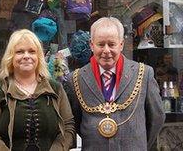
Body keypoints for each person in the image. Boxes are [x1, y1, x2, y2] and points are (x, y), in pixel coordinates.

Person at [63, 17, 165, 150]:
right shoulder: (75, 79)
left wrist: (138, 145)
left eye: (111, 44)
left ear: (121, 44)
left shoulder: (144, 73)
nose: (106, 50)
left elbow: (157, 118)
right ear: (91, 45)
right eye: (100, 44)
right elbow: (75, 122)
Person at [0, 29, 75, 151]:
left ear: (39, 56)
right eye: (19, 52)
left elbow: (68, 127)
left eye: (32, 51)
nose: (26, 56)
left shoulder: (55, 89)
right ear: (11, 57)